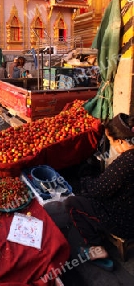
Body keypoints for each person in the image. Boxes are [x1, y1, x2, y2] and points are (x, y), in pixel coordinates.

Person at [45, 113, 134, 271]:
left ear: (121, 141)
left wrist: (85, 180)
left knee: (72, 203)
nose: (112, 146)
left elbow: (98, 190)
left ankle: (96, 248)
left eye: (112, 142)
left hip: (125, 221)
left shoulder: (126, 162)